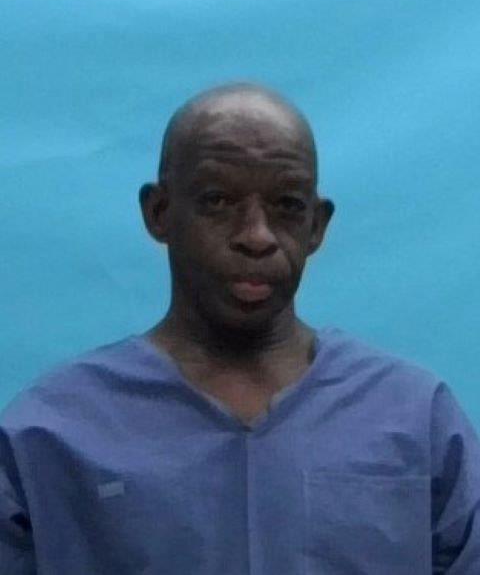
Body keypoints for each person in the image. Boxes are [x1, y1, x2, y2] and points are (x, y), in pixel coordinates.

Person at [1, 82, 479, 575]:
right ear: (159, 213)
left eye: (287, 205)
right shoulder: (51, 433)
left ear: (317, 226)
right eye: (217, 201)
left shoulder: (414, 419)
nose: (256, 236)